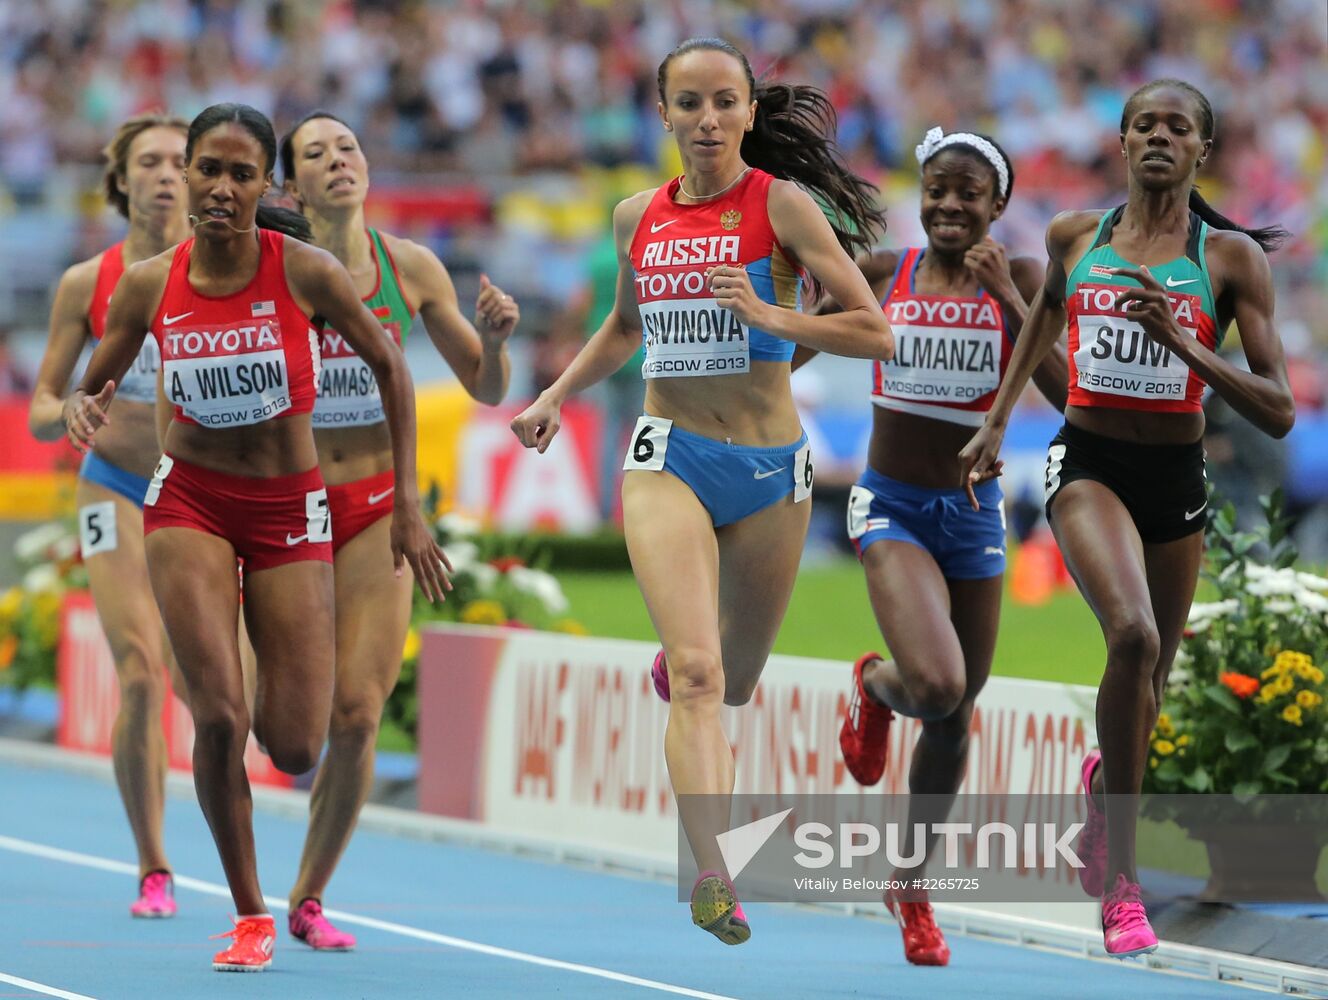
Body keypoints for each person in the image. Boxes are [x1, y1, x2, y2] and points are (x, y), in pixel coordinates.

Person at [510, 37, 892, 944]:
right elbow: (623, 329)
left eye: (726, 102)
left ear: (751, 112)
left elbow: (874, 332)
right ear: (665, 114)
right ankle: (711, 875)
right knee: (699, 674)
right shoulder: (634, 215)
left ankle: (685, 668)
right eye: (690, 103)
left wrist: (772, 316)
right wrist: (555, 396)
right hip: (668, 454)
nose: (709, 120)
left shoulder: (784, 207)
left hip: (769, 473)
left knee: (737, 682)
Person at [63, 102, 450, 973]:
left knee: (296, 741)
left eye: (243, 175)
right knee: (219, 714)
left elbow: (391, 364)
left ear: (266, 186)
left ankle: (275, 700)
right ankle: (248, 914)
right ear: (189, 175)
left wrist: (409, 505)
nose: (222, 190)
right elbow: (98, 378)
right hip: (188, 503)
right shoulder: (146, 283)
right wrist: (87, 403)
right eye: (209, 170)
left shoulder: (305, 272)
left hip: (289, 507)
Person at [959, 79, 1293, 957]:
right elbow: (1043, 327)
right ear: (1121, 141)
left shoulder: (1229, 262)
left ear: (1200, 151)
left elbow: (1280, 408)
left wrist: (1186, 344)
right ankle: (1123, 886)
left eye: (1175, 127)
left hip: (1176, 473)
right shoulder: (1080, 236)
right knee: (1133, 639)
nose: (1157, 137)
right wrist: (996, 423)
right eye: (1142, 123)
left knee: (1151, 688)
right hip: (1089, 461)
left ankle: (1108, 782)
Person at [806, 127, 1066, 966]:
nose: (950, 205)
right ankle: (877, 686)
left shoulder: (1022, 277)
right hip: (891, 505)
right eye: (937, 190)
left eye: (968, 194)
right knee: (938, 682)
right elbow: (796, 341)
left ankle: (911, 885)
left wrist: (1014, 302)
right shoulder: (887, 273)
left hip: (974, 514)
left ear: (998, 207)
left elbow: (1068, 393)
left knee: (954, 718)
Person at [277, 110, 517, 951]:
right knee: (283, 725)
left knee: (356, 710)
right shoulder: (274, 271)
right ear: (290, 185)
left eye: (347, 148)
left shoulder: (408, 267)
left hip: (379, 509)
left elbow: (487, 389)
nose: (339, 162)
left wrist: (492, 341)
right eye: (317, 154)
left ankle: (307, 895)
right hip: (288, 508)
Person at [30, 113, 192, 919]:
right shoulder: (83, 283)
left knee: (219, 691)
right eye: (151, 162)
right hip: (113, 486)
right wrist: (65, 413)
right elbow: (39, 404)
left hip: (197, 492)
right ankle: (154, 865)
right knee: (139, 668)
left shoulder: (227, 269)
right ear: (121, 180)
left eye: (180, 162)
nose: (167, 175)